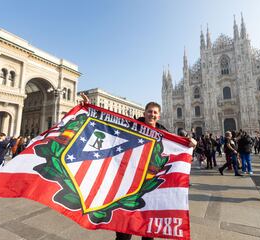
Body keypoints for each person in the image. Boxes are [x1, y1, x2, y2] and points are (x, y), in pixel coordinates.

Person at [80, 93, 197, 240]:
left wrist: (191, 143)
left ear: (159, 116)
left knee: (147, 232)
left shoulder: (165, 134)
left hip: (150, 188)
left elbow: (177, 147)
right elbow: (109, 125)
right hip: (128, 184)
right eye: (149, 111)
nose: (152, 115)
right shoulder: (133, 127)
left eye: (155, 112)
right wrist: (90, 108)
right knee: (123, 231)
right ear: (144, 113)